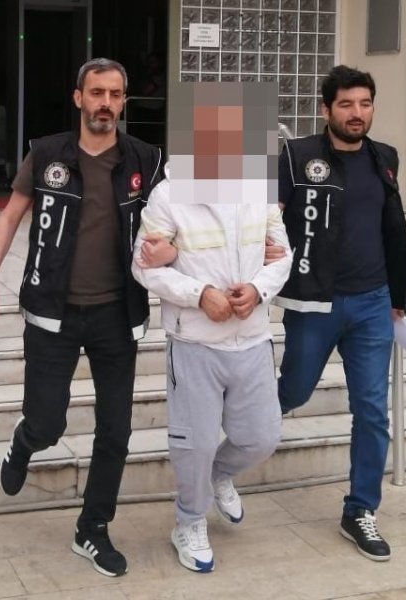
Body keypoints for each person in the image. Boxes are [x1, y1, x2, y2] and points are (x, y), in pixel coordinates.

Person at [0, 58, 171, 578]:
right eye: (97, 93)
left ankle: (93, 528)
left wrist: (174, 253)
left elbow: (174, 224)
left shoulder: (147, 161)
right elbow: (10, 216)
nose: (106, 103)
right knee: (47, 422)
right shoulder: (47, 154)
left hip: (117, 314)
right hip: (50, 310)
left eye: (115, 94)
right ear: (79, 98)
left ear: (124, 101)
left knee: (116, 431)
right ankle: (25, 442)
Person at [132, 81, 292, 573]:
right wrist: (199, 293)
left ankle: (220, 476)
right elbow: (144, 266)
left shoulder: (258, 189)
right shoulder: (168, 195)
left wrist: (258, 289)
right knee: (194, 442)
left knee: (261, 436)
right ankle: (189, 520)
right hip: (195, 342)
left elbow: (283, 254)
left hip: (253, 338)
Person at [271, 65, 406, 561]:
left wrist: (399, 297)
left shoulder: (384, 157)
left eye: (365, 104)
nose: (357, 113)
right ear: (326, 109)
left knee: (372, 409)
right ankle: (232, 442)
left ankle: (360, 509)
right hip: (314, 301)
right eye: (347, 104)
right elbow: (267, 220)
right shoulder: (296, 156)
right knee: (292, 391)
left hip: (373, 302)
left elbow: (393, 228)